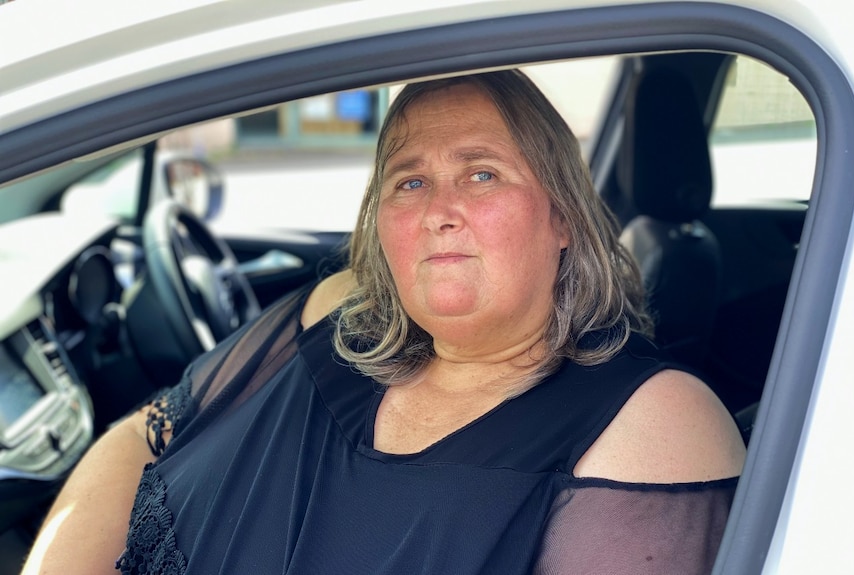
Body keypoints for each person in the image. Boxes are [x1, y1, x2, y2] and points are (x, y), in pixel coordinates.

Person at [22, 69, 745, 575]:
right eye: (410, 180)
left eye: (482, 172)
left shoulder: (656, 420)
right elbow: (144, 438)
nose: (439, 208)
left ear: (561, 214)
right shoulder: (335, 313)